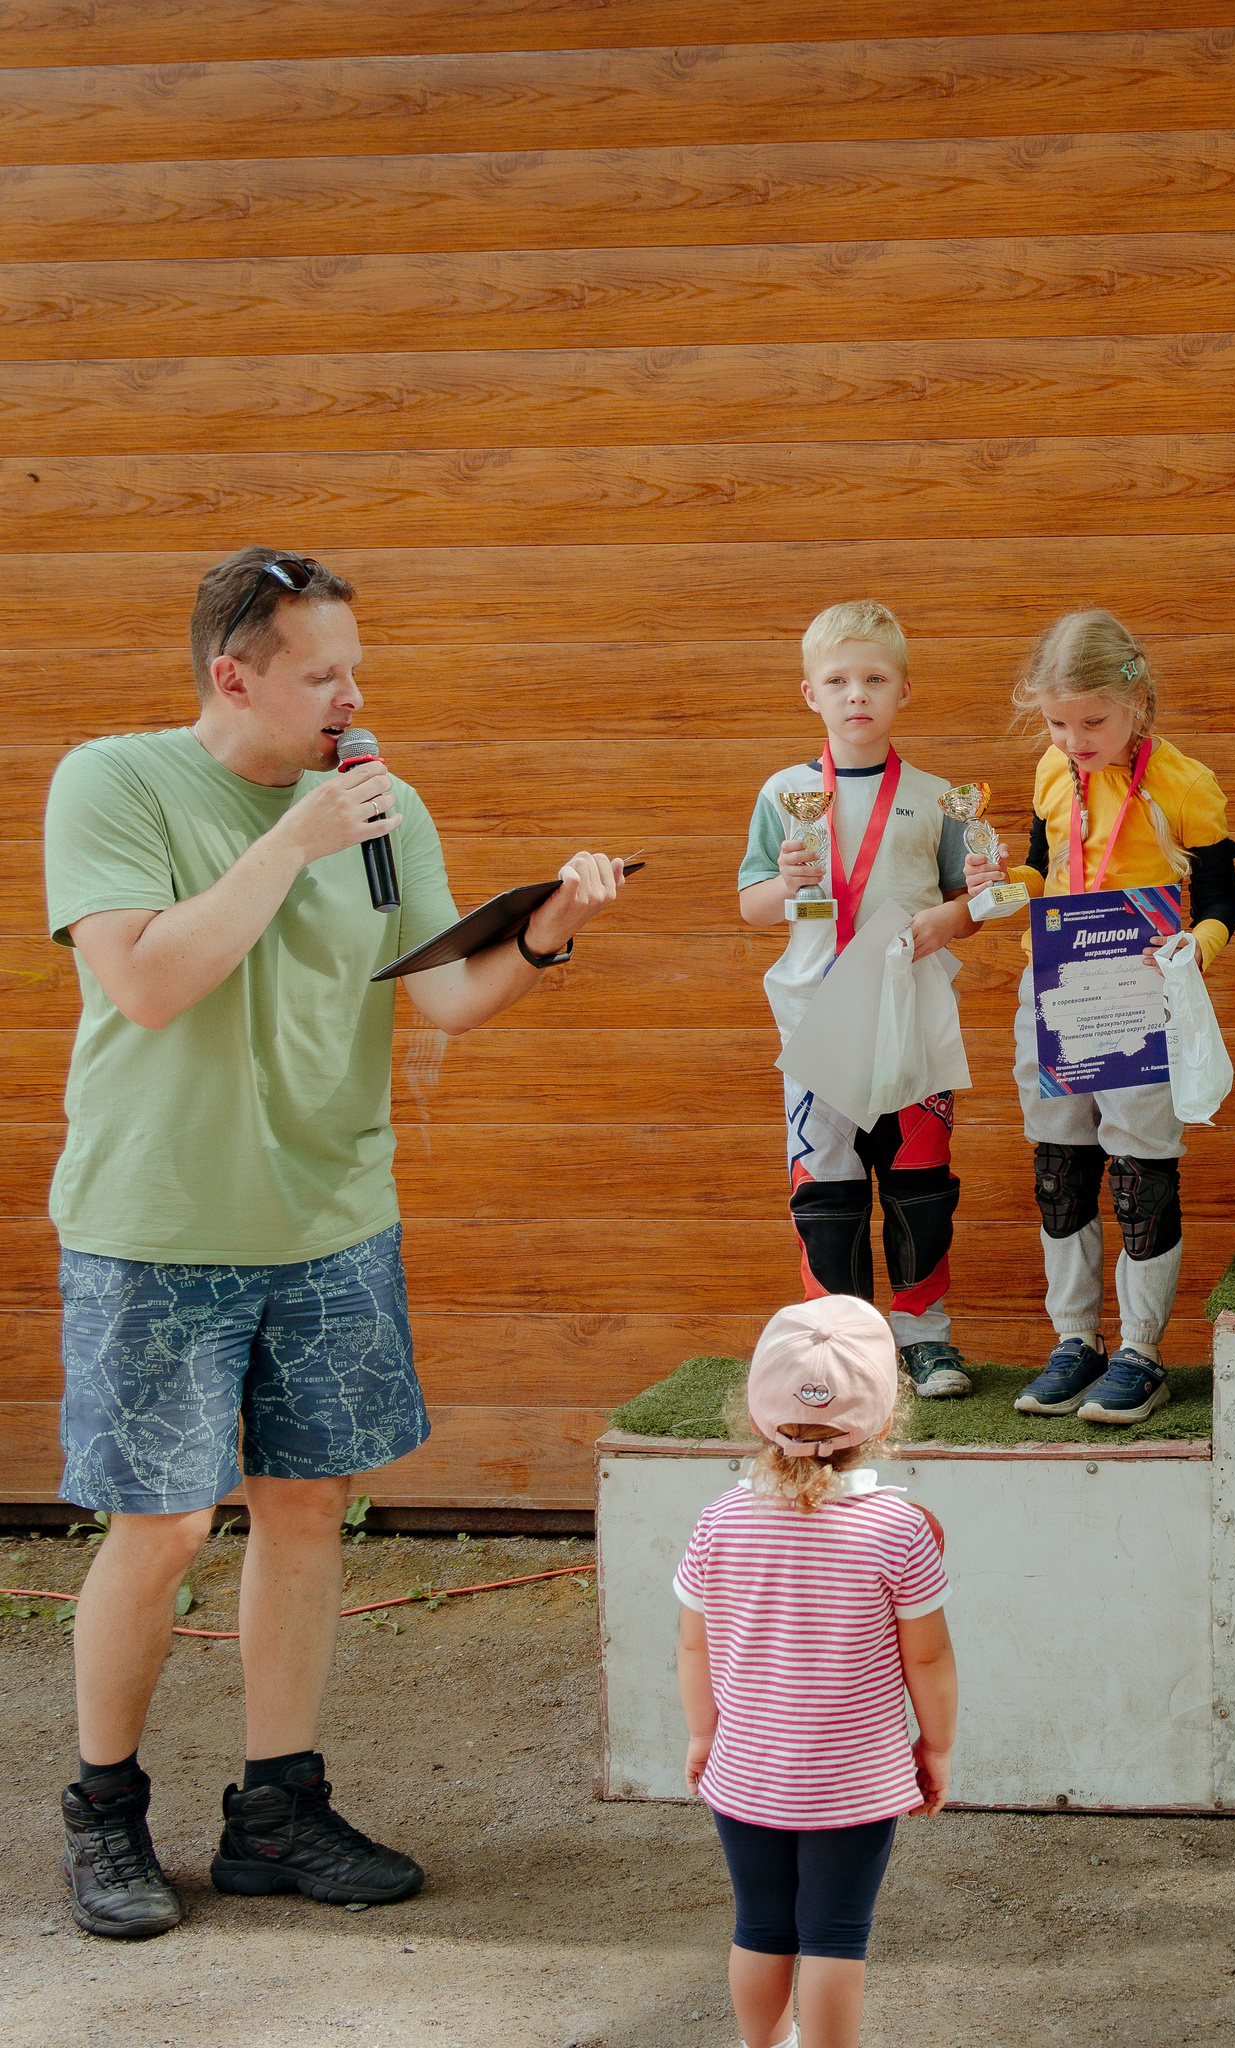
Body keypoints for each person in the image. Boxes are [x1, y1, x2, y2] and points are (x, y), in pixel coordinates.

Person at [44, 546, 626, 1937]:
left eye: (354, 667)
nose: (352, 695)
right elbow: (145, 984)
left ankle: (276, 1811)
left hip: (332, 1219)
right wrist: (293, 839)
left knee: (308, 1507)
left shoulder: (386, 804)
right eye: (322, 673)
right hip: (159, 1223)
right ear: (233, 677)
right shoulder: (112, 783)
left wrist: (546, 932)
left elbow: (441, 1001)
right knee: (167, 1521)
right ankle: (104, 1812)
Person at [965, 611, 1235, 1426]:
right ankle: (1075, 1340)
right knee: (1060, 1164)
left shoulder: (1184, 783)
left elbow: (1224, 894)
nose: (1074, 738)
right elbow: (1044, 867)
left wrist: (1200, 946)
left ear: (1138, 702)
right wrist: (996, 881)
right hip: (1052, 989)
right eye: (1057, 722)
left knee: (1138, 1171)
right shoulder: (1053, 769)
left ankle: (1141, 1352)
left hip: (1138, 994)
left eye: (1093, 721)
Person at [677, 1295, 957, 2048]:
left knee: (761, 1925)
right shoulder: (900, 1529)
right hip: (858, 1775)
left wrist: (705, 1737)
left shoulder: (720, 1520)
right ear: (883, 1420)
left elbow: (694, 1646)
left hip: (747, 1767)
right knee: (837, 1934)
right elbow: (925, 1655)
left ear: (759, 1410)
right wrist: (934, 1748)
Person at [738, 600, 980, 1401]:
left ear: (904, 690)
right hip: (816, 1019)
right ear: (810, 694)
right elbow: (751, 905)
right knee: (827, 1190)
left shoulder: (941, 797)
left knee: (920, 1182)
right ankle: (837, 1344)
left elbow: (965, 907)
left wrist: (960, 911)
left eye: (875, 678)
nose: (857, 694)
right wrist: (788, 885)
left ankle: (925, 1338)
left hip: (907, 1013)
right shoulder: (783, 794)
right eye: (838, 680)